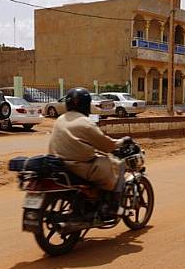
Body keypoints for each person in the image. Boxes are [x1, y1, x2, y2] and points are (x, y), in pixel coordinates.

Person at [49, 87, 128, 216]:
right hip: (80, 167)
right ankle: (112, 206)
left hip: (59, 165)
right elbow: (106, 145)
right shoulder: (86, 123)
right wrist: (121, 142)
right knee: (117, 165)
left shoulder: (60, 119)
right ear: (86, 104)